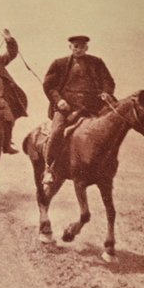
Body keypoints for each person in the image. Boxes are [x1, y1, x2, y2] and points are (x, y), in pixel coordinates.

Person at [42, 35, 116, 186]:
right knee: (56, 132)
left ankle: (103, 168)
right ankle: (49, 168)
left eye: (82, 46)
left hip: (90, 106)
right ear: (70, 47)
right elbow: (49, 86)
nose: (79, 49)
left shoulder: (97, 63)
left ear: (86, 48)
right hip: (65, 108)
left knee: (106, 131)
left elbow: (108, 81)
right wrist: (59, 100)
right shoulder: (59, 63)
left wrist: (106, 93)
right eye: (76, 46)